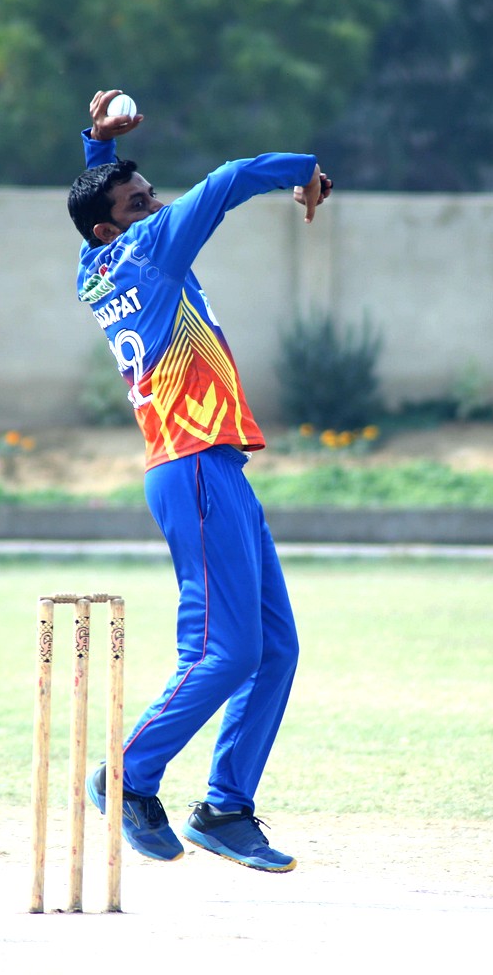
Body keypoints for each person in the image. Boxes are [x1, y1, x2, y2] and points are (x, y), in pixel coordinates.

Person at [67, 91, 331, 873]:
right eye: (140, 203)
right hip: (192, 464)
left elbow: (96, 208)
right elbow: (232, 177)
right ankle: (127, 775)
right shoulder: (151, 247)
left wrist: (99, 147)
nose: (157, 206)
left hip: (211, 466)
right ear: (116, 228)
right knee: (224, 649)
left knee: (273, 648)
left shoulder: (95, 265)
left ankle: (225, 807)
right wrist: (306, 171)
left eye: (151, 196)